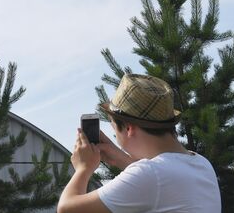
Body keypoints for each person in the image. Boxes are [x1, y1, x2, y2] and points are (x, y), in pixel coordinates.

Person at [57, 74, 221, 213]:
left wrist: (83, 169)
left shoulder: (149, 174)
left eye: (115, 130)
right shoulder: (201, 163)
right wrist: (119, 158)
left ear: (129, 128)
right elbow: (161, 180)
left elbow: (66, 208)